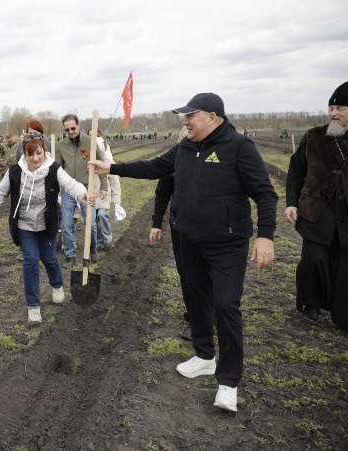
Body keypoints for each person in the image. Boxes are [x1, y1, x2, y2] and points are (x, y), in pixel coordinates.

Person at [89, 92, 277, 412]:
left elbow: (265, 194)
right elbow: (153, 168)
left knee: (225, 305)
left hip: (227, 243)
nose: (185, 121)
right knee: (196, 299)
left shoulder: (238, 147)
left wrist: (266, 237)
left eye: (191, 115)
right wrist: (111, 168)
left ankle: (228, 381)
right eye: (184, 116)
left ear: (212, 117)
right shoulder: (186, 147)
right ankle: (204, 356)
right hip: (190, 239)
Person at [0, 133, 89, 322]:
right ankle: (33, 306)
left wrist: (83, 194)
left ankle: (57, 285)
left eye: (39, 153)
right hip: (24, 225)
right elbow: (0, 192)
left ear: (45, 152)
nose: (35, 158)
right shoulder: (14, 171)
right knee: (31, 261)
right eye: (30, 154)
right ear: (24, 154)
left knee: (49, 258)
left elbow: (70, 184)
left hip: (46, 224)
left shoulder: (54, 169)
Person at [285, 81, 348, 335]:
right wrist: (291, 202)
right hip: (317, 212)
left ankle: (345, 316)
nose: (334, 113)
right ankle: (311, 303)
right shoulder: (314, 137)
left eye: (341, 108)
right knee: (313, 260)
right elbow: (296, 171)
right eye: (331, 108)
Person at [55, 114, 108, 264]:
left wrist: (104, 186)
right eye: (67, 130)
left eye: (73, 128)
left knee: (91, 223)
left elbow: (101, 164)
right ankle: (70, 254)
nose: (71, 132)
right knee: (66, 224)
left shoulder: (90, 142)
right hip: (68, 190)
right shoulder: (61, 145)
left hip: (86, 188)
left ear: (78, 126)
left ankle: (92, 248)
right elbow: (57, 168)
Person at [150, 174, 192, 341]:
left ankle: (214, 312)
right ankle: (195, 318)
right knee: (186, 272)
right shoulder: (175, 161)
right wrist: (156, 222)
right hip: (180, 227)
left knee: (211, 272)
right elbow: (162, 192)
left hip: (214, 228)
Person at [92, 129, 122, 252]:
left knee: (102, 215)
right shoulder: (89, 163)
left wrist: (117, 201)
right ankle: (99, 242)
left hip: (104, 195)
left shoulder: (108, 162)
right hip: (93, 196)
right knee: (94, 219)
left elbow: (115, 182)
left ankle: (108, 239)